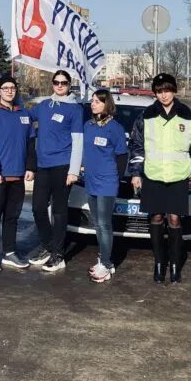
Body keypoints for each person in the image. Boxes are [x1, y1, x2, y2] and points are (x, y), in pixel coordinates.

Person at [128, 72, 191, 284]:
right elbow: (136, 145)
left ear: (174, 90)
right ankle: (159, 262)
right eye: (159, 91)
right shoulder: (146, 115)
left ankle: (174, 263)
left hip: (177, 175)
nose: (164, 95)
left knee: (174, 218)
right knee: (156, 218)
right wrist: (136, 173)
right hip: (153, 174)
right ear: (155, 93)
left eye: (167, 90)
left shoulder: (188, 115)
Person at [27, 69, 84, 273]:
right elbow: (24, 116)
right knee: (38, 208)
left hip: (62, 166)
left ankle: (58, 255)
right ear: (52, 84)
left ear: (69, 85)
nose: (60, 86)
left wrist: (73, 170)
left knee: (59, 211)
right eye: (56, 82)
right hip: (43, 165)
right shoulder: (43, 105)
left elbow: (78, 141)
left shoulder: (75, 110)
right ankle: (49, 246)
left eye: (64, 83)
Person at [0, 74, 36, 273]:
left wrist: (30, 167)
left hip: (18, 174)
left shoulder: (24, 114)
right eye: (5, 88)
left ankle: (9, 251)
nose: (10, 91)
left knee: (12, 216)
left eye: (12, 88)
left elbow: (30, 143)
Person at [82, 88, 128, 284]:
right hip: (90, 181)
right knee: (96, 223)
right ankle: (103, 257)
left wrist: (115, 178)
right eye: (92, 101)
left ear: (107, 104)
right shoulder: (88, 125)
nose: (93, 104)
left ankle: (108, 264)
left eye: (98, 101)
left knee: (104, 223)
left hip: (107, 182)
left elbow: (122, 156)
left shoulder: (115, 128)